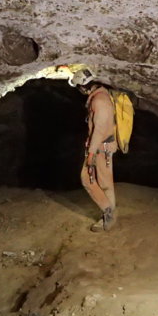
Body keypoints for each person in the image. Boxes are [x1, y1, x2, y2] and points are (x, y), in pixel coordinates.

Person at [71, 68, 118, 232]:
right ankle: (109, 216)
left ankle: (108, 212)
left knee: (88, 179)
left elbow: (99, 130)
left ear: (83, 86)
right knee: (105, 183)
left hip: (100, 148)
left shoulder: (99, 101)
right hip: (103, 146)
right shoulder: (102, 95)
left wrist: (91, 153)